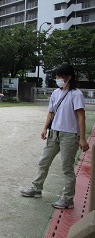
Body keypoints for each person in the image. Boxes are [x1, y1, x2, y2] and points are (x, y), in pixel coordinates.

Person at [20, 64, 89, 209]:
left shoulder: (76, 94)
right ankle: (36, 188)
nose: (57, 79)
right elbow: (51, 113)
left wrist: (82, 138)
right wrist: (45, 128)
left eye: (59, 76)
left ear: (68, 77)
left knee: (67, 167)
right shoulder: (56, 93)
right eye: (56, 76)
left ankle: (68, 199)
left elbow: (81, 117)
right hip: (54, 133)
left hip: (70, 136)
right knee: (43, 161)